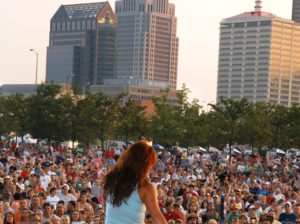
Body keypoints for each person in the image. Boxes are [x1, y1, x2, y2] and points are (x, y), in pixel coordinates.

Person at [103, 141, 167, 224]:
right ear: (144, 164)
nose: (151, 168)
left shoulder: (109, 179)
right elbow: (157, 217)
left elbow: (106, 208)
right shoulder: (145, 187)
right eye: (150, 164)